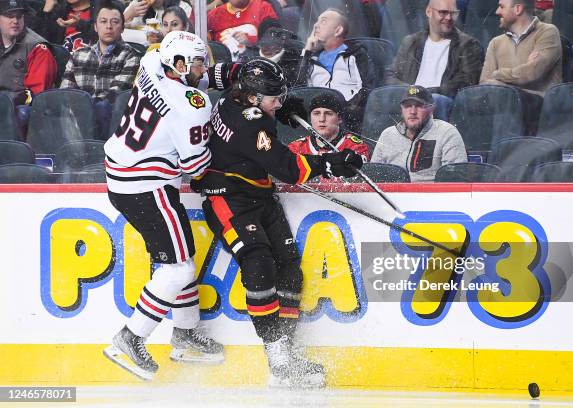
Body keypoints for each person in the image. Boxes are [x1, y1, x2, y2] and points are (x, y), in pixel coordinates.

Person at [194, 57, 363, 387]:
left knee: (289, 267)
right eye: (274, 99)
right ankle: (278, 359)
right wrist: (331, 164)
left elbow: (230, 69)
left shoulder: (238, 89)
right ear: (254, 99)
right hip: (228, 199)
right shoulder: (250, 122)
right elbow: (290, 169)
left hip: (259, 196)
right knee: (259, 266)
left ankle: (285, 352)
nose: (279, 102)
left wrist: (281, 108)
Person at [103, 31, 224, 381]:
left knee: (180, 259)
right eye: (199, 62)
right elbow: (196, 168)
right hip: (148, 187)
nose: (204, 68)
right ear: (181, 64)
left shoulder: (150, 63)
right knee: (179, 270)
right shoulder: (192, 104)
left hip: (123, 177)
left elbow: (159, 52)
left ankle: (185, 335)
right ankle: (131, 337)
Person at [60, 0, 141, 140]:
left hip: (112, 123)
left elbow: (117, 94)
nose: (109, 26)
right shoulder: (78, 55)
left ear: (122, 28)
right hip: (77, 120)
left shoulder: (131, 56)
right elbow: (65, 92)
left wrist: (84, 107)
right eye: (103, 21)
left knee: (103, 107)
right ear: (95, 27)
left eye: (115, 22)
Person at [384, 0, 483, 99]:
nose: (449, 18)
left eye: (453, 13)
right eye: (443, 12)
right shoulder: (410, 42)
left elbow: (465, 82)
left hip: (441, 100)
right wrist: (411, 92)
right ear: (429, 12)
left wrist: (421, 93)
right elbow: (391, 76)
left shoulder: (468, 45)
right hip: (408, 100)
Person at [371, 85, 467, 182]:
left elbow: (455, 181)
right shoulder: (387, 135)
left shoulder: (447, 133)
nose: (412, 111)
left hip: (431, 196)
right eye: (408, 106)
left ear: (431, 108)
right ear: (401, 109)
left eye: (419, 106)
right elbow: (373, 178)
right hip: (389, 196)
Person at [480, 0, 562, 95]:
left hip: (538, 107)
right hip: (503, 106)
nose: (497, 11)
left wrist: (497, 75)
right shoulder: (495, 43)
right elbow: (484, 84)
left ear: (518, 9)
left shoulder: (548, 32)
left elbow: (532, 73)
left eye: (502, 7)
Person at [0, 0, 57, 106]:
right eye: (9, 16)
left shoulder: (38, 49)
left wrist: (5, 102)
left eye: (19, 16)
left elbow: (37, 95)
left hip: (19, 110)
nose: (15, 21)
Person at [288, 90, 370, 163]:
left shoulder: (356, 147)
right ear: (310, 118)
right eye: (316, 113)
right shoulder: (295, 149)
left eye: (328, 113)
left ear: (339, 118)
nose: (322, 119)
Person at [207, 0, 278, 60]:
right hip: (223, 68)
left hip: (255, 65)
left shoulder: (262, 7)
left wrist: (250, 41)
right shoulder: (214, 15)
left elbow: (274, 39)